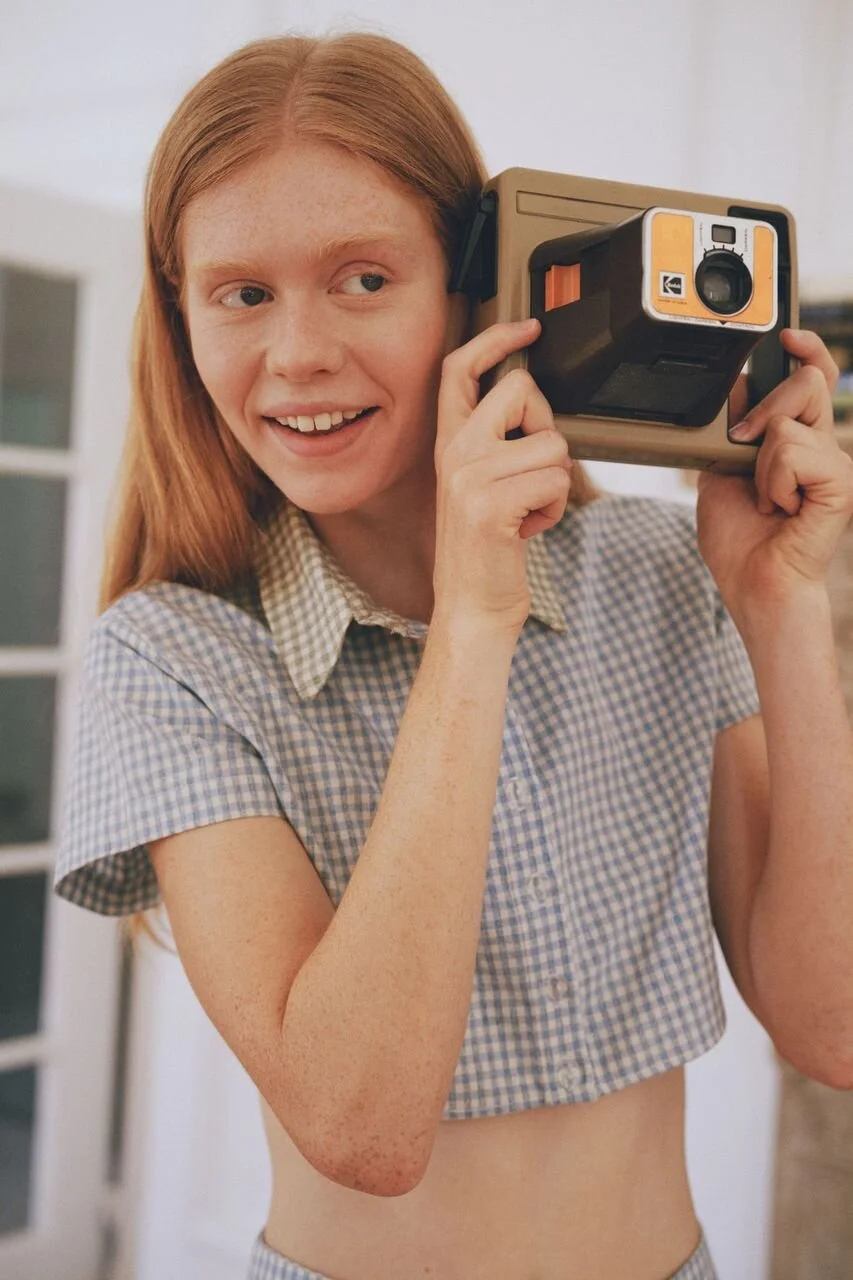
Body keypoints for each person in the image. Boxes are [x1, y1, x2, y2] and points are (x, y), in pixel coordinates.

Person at [53, 29, 853, 1280]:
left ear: (478, 294)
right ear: (184, 317)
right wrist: (472, 623)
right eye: (242, 292)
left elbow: (834, 1024)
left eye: (364, 278)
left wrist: (784, 611)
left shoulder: (651, 578)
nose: (299, 352)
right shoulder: (173, 658)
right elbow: (360, 1127)